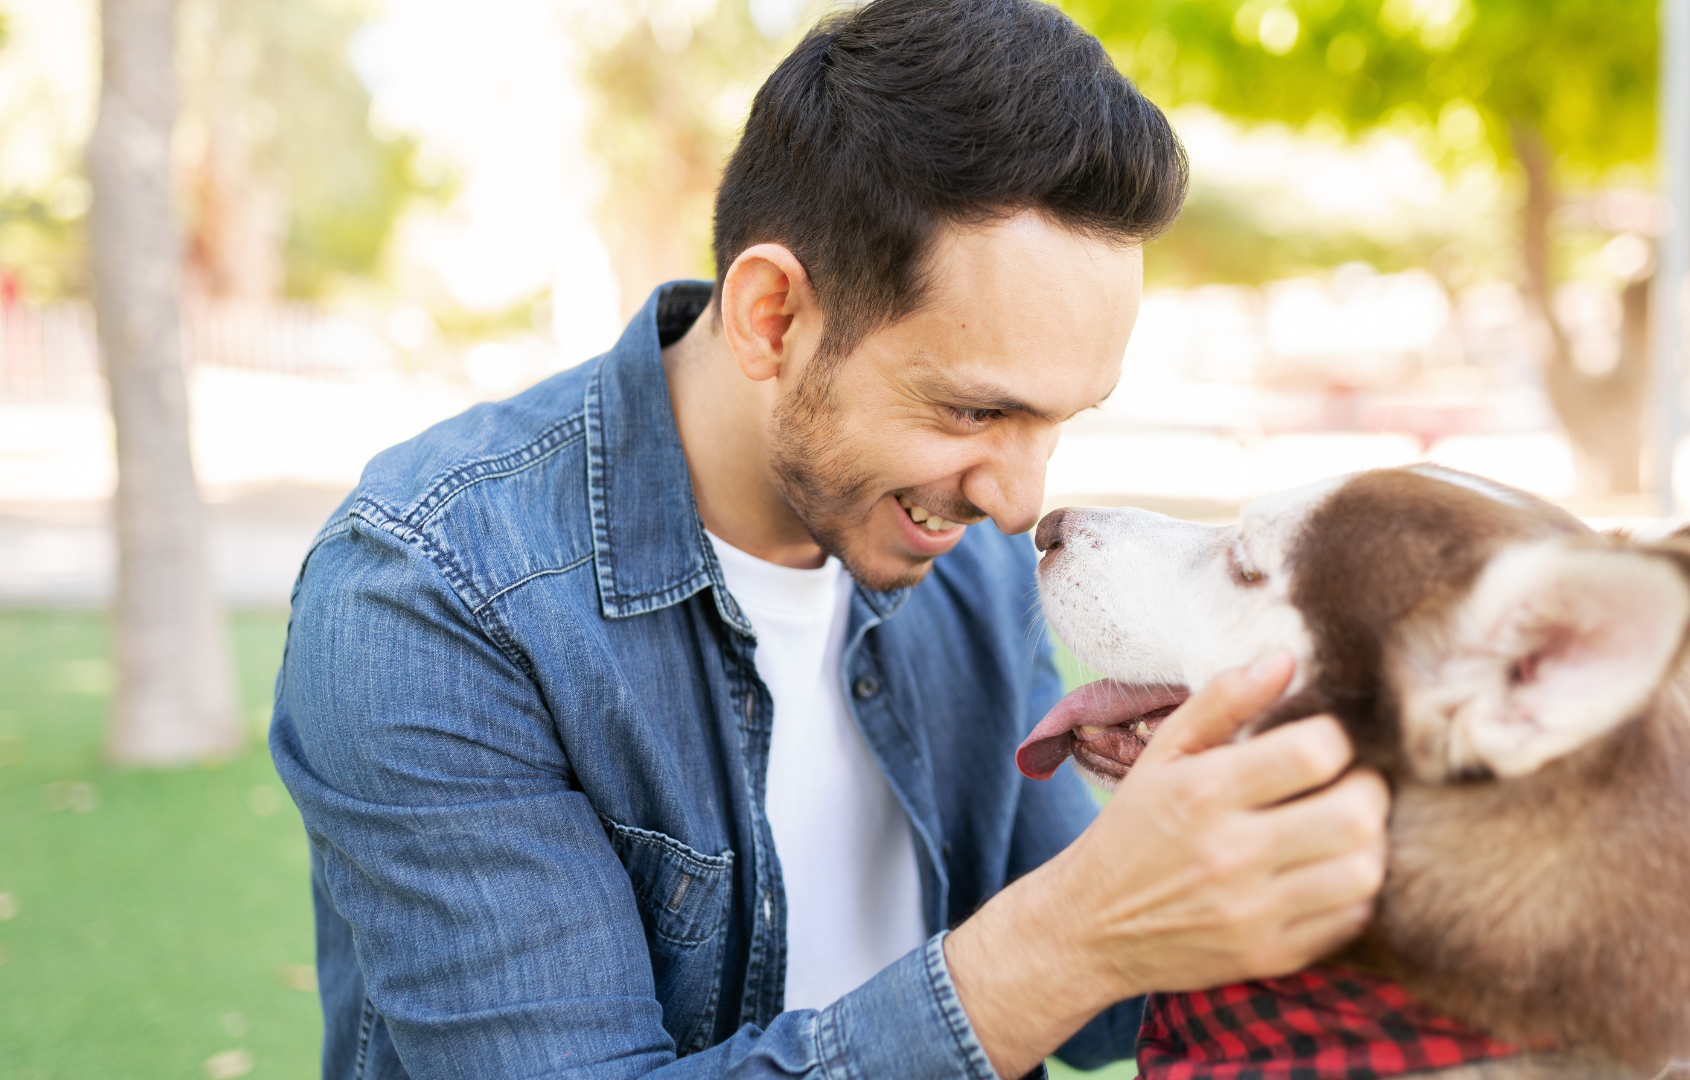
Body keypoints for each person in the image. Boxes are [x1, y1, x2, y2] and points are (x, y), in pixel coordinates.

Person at [270, 2, 1389, 1078]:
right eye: (974, 411)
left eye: (1057, 421)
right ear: (773, 317)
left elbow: (1107, 1002)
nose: (1017, 506)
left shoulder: (960, 550)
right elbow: (1074, 943)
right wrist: (1080, 933)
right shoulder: (432, 595)